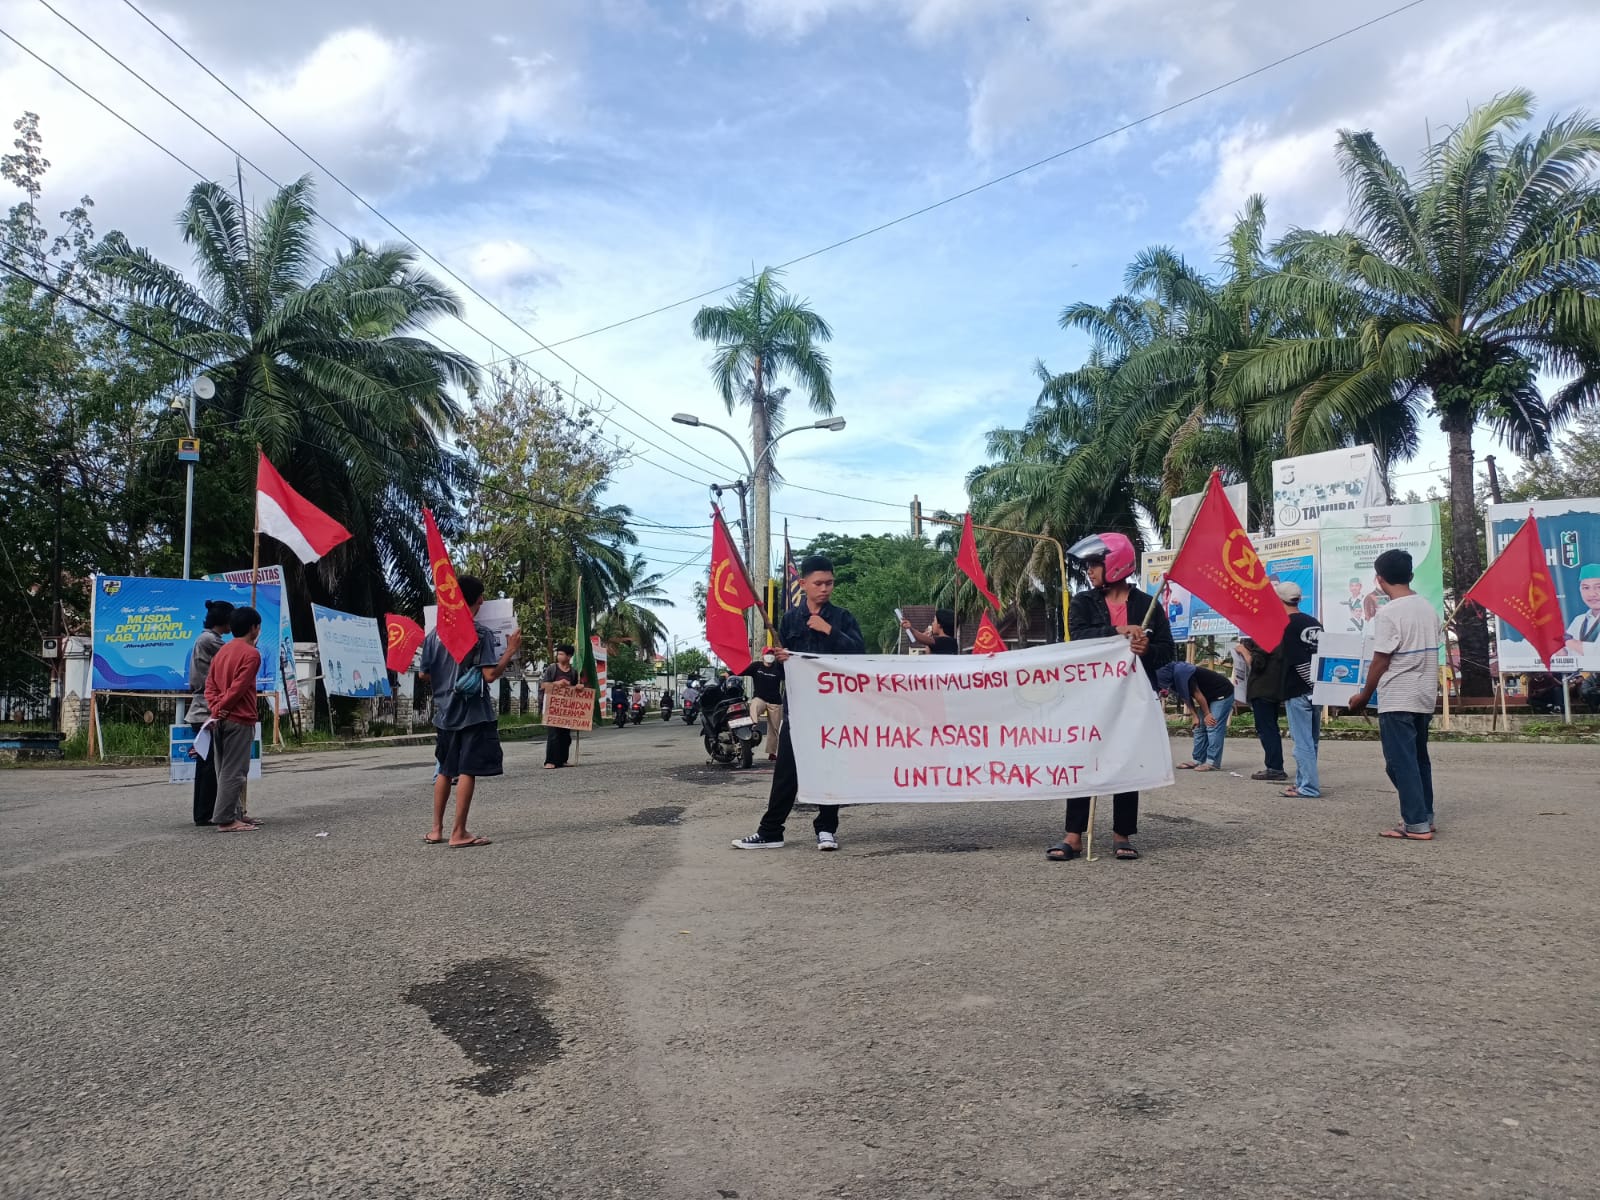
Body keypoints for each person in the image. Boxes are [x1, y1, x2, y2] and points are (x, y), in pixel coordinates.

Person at [1049, 532, 1173, 862]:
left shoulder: (1147, 605)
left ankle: (1122, 835)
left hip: (1133, 698)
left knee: (1126, 761)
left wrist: (1147, 649)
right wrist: (1117, 631)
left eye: (1094, 565)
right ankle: (1073, 835)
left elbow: (1167, 651)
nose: (1089, 571)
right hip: (1089, 697)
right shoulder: (1083, 602)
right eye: (1088, 565)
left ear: (1116, 565)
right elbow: (1077, 638)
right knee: (1083, 759)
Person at [733, 554, 865, 851]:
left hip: (833, 707)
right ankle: (771, 831)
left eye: (829, 583)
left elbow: (859, 655)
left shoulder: (842, 618)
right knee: (787, 770)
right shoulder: (790, 620)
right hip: (798, 707)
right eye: (818, 583)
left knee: (828, 768)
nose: (825, 588)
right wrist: (781, 660)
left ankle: (827, 829)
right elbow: (784, 672)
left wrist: (829, 631)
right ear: (803, 584)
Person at [418, 576, 521, 847]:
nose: (483, 601)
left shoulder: (434, 635)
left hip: (444, 712)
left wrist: (448, 676)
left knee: (444, 770)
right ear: (477, 600)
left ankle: (436, 830)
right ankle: (459, 832)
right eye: (481, 596)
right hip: (473, 712)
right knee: (467, 770)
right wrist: (510, 650)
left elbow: (424, 675)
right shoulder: (479, 634)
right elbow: (490, 675)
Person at [1347, 549, 1441, 841]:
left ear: (1379, 579)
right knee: (1419, 759)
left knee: (1400, 762)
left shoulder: (1388, 613)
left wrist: (1364, 695)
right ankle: (1424, 816)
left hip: (1398, 695)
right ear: (1410, 575)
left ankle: (1415, 823)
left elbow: (1381, 659)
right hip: (1424, 694)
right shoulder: (1428, 608)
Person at [203, 606, 263, 833]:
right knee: (235, 770)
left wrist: (216, 708)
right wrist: (222, 708)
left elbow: (209, 685)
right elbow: (239, 688)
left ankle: (235, 812)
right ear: (253, 628)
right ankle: (226, 819)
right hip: (239, 717)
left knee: (224, 768)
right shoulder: (251, 654)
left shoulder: (222, 651)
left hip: (219, 718)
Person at [185, 599, 234, 826]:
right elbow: (236, 655)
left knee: (208, 764)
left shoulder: (208, 639)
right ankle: (205, 813)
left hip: (204, 708)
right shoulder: (209, 640)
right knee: (209, 766)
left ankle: (206, 811)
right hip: (205, 709)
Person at [1276, 581, 1324, 799]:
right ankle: (1302, 781)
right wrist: (1318, 687)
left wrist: (1309, 684)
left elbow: (1298, 661)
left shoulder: (1286, 625)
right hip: (1319, 689)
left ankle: (1309, 787)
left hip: (1298, 688)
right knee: (1311, 741)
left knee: (1302, 742)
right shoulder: (1314, 623)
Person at [1156, 660, 1235, 771]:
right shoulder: (1170, 677)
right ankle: (1198, 759)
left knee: (1212, 725)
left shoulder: (1182, 672)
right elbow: (1185, 697)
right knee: (1199, 727)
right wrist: (1195, 716)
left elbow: (1197, 693)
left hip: (1222, 693)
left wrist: (1207, 714)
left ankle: (1213, 762)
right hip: (1208, 696)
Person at [1241, 631, 1287, 782]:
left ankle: (1275, 768)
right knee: (1271, 728)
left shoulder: (1265, 636)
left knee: (1267, 730)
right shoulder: (1280, 638)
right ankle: (1275, 766)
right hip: (1274, 690)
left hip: (1262, 690)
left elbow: (1257, 664)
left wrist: (1244, 652)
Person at [739, 648, 786, 761]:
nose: (770, 656)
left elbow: (787, 676)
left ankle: (772, 753)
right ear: (763, 655)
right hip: (760, 698)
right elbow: (742, 671)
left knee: (774, 729)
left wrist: (783, 662)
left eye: (772, 654)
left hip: (775, 702)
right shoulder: (756, 666)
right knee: (754, 705)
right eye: (768, 653)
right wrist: (729, 673)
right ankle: (752, 727)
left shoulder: (778, 667)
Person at [541, 643, 578, 769]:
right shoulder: (552, 669)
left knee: (565, 736)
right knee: (553, 735)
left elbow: (575, 689)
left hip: (566, 708)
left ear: (569, 656)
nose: (558, 656)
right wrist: (557, 683)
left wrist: (578, 687)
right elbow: (543, 685)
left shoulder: (573, 672)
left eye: (561, 654)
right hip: (552, 707)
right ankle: (550, 761)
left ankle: (562, 760)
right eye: (558, 654)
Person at [1565, 565, 1600, 655]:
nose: (1592, 594)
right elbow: (1567, 654)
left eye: (1598, 587)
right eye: (1586, 588)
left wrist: (1568, 641)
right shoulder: (1579, 620)